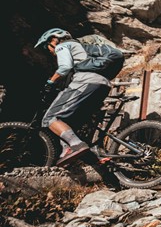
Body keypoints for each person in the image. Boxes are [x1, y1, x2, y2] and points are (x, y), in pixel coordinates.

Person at [35, 28, 112, 166]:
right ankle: (95, 160)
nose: (50, 52)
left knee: (50, 118)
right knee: (66, 124)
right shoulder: (82, 49)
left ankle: (75, 145)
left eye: (48, 48)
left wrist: (50, 82)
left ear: (53, 40)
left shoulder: (63, 46)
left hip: (86, 83)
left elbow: (64, 67)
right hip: (102, 85)